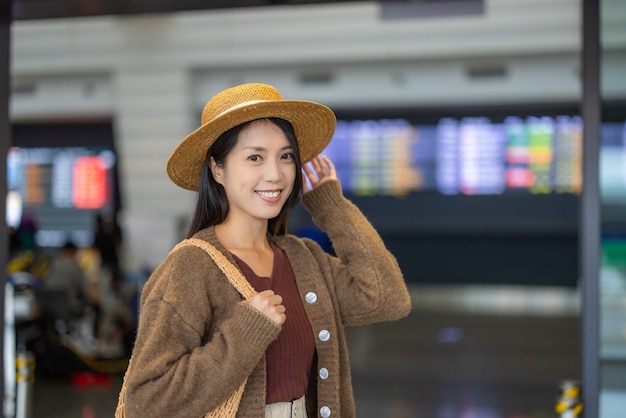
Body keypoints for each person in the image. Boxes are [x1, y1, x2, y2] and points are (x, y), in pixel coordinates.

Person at [119, 83, 411, 418]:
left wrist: (332, 206)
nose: (275, 174)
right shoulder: (189, 267)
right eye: (255, 157)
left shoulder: (303, 257)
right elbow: (147, 400)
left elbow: (387, 298)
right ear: (218, 169)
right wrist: (243, 334)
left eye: (286, 156)